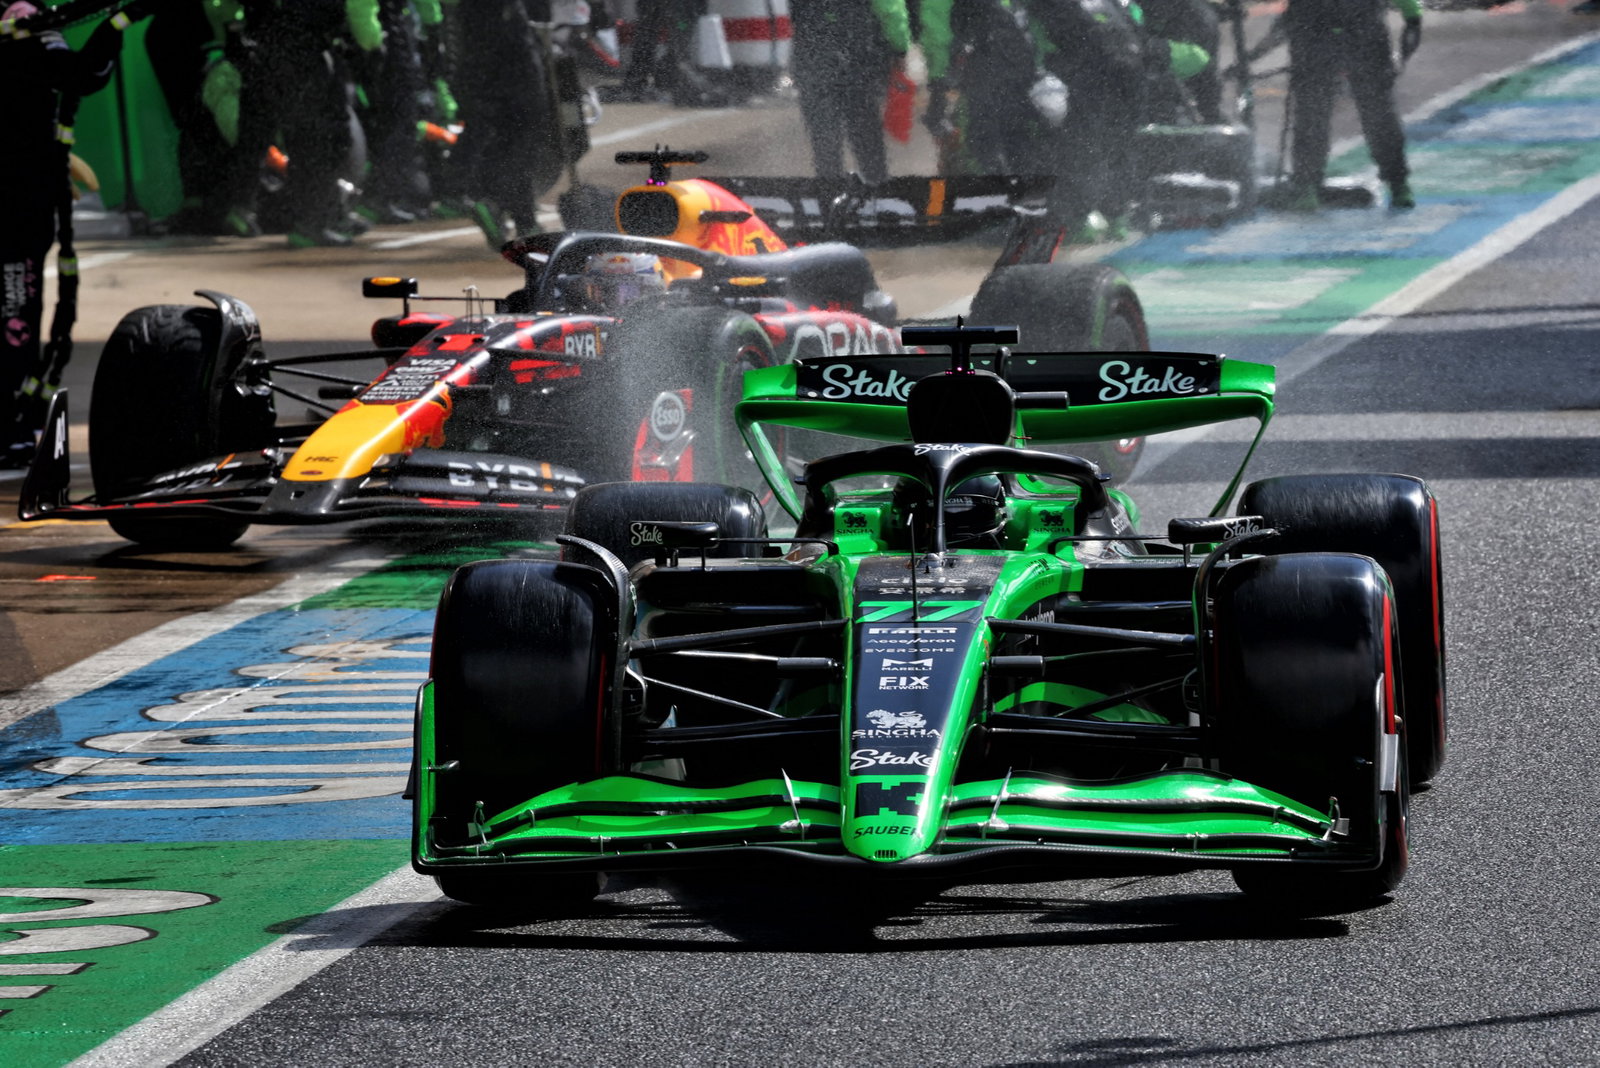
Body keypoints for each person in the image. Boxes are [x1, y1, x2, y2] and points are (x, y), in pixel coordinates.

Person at [0, 0, 151, 464]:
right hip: (17, 202)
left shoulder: (24, 19)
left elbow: (73, 74)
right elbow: (84, 74)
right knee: (13, 313)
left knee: (13, 313)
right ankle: (12, 425)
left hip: (20, 197)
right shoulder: (22, 16)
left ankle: (14, 423)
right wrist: (116, 25)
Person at [1280, 0, 1421, 210]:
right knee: (1377, 112)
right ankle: (1398, 185)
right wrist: (1412, 19)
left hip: (1317, 31)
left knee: (1313, 111)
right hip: (1360, 30)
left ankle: (1306, 187)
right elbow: (1411, 14)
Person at [790, 0, 911, 184]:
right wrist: (899, 47)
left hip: (811, 50)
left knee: (825, 136)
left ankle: (829, 195)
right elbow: (889, 8)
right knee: (865, 133)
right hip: (857, 49)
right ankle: (876, 192)